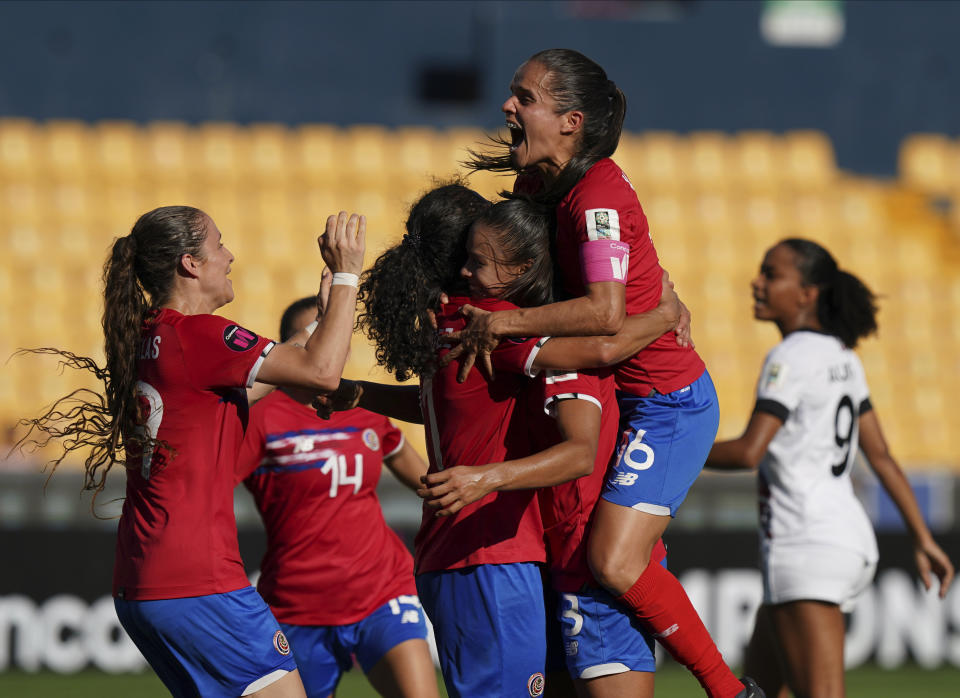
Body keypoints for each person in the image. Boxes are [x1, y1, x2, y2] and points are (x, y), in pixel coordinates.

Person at [458, 48, 755, 698]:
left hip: (668, 403)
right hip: (622, 395)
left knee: (613, 560)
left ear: (570, 121)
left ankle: (730, 691)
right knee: (601, 560)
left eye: (525, 97)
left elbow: (605, 311)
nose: (509, 106)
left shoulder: (597, 195)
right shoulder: (542, 187)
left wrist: (502, 325)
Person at [335, 184, 684, 698]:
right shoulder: (492, 327)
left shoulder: (450, 322)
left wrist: (356, 391)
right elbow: (606, 349)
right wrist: (663, 313)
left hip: (466, 553)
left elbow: (447, 409)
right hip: (487, 555)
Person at [16, 205, 365, 698]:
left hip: (144, 581)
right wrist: (349, 272)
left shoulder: (149, 335)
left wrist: (317, 324)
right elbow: (323, 373)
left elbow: (234, 396)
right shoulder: (198, 334)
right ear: (190, 264)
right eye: (219, 244)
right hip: (198, 580)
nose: (230, 255)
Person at [704, 238, 955, 698]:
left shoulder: (789, 356)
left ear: (807, 293)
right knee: (755, 689)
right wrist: (922, 538)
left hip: (806, 543)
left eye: (771, 274)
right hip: (845, 539)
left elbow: (748, 452)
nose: (756, 282)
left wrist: (669, 447)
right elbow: (880, 456)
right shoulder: (842, 357)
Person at [236, 289, 439, 698]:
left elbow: (430, 485)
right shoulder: (258, 419)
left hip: (382, 591)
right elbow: (208, 489)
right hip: (296, 605)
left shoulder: (363, 405)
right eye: (314, 336)